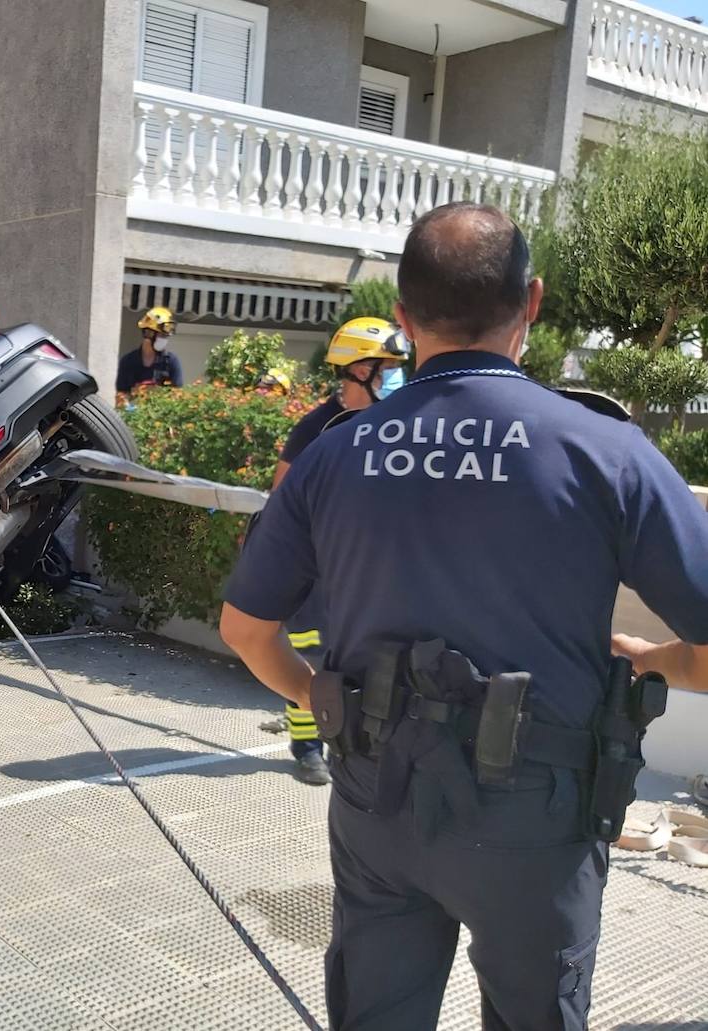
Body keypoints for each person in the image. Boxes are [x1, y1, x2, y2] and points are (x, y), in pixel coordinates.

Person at [220, 202, 708, 1029]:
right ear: (534, 303)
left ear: (405, 320)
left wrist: (319, 702)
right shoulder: (605, 451)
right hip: (536, 825)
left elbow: (244, 629)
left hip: (378, 804)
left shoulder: (334, 454)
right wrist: (656, 659)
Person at [270, 319, 409, 785]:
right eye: (387, 367)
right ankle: (307, 748)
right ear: (358, 370)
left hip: (363, 569)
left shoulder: (396, 423)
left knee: (360, 658)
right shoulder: (317, 429)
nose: (395, 375)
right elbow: (282, 501)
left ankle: (348, 740)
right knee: (311, 657)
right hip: (314, 571)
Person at [116, 306, 183, 401]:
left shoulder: (171, 361)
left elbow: (178, 395)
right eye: (161, 335)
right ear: (148, 333)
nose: (164, 340)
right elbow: (121, 395)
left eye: (166, 336)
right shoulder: (128, 361)